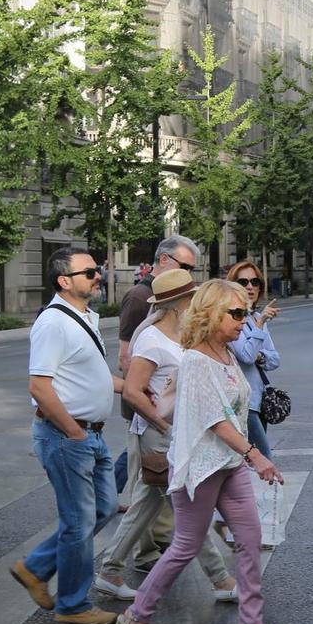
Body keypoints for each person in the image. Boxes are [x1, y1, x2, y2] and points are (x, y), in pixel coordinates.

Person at [114, 280, 289, 624]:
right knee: (185, 546)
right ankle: (135, 616)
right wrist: (255, 455)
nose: (244, 320)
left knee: (250, 539)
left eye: (246, 312)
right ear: (210, 315)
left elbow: (236, 410)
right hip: (201, 466)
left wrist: (245, 455)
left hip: (229, 463)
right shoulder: (195, 360)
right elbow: (215, 419)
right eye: (237, 313)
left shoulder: (226, 355)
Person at [97, 269, 238, 603]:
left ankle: (109, 570)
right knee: (189, 505)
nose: (196, 304)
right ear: (177, 305)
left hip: (179, 433)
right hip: (160, 435)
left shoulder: (185, 336)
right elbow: (132, 391)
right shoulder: (152, 340)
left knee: (147, 505)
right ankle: (220, 580)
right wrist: (164, 427)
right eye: (192, 298)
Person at [10, 247, 124, 624]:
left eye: (98, 270)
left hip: (90, 434)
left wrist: (133, 388)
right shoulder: (53, 323)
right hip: (67, 435)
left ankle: (36, 567)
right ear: (65, 280)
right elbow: (40, 387)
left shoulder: (84, 317)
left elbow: (86, 374)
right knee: (78, 521)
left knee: (103, 509)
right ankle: (73, 605)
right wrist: (74, 432)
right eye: (90, 272)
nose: (98, 276)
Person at [116, 236, 199, 558]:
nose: (191, 273)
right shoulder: (139, 297)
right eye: (186, 266)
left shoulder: (174, 309)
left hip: (164, 414)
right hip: (148, 413)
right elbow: (128, 357)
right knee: (148, 483)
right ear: (164, 261)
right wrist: (149, 403)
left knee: (153, 489)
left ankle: (154, 548)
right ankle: (147, 551)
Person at [228, 261, 281, 461]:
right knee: (264, 457)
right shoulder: (233, 318)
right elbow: (246, 356)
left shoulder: (255, 318)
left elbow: (274, 360)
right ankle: (267, 492)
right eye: (243, 282)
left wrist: (260, 355)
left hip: (259, 400)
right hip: (244, 402)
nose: (250, 287)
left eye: (255, 281)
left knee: (249, 460)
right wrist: (260, 324)